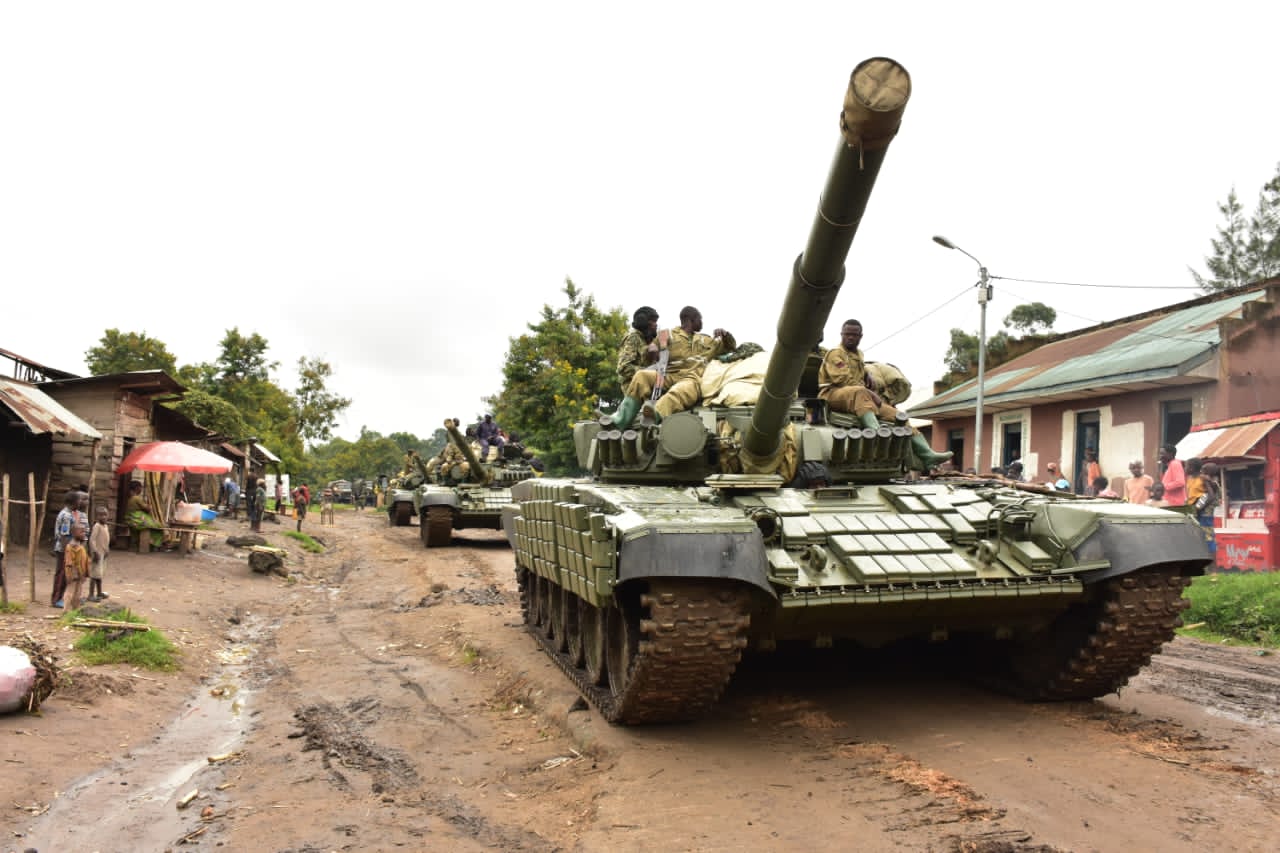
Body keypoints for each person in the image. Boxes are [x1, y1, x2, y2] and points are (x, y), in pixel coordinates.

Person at [817, 319, 952, 470]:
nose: (850, 337)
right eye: (847, 334)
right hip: (832, 394)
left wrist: (867, 373)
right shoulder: (836, 353)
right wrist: (870, 393)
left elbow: (857, 372)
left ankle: (927, 454)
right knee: (860, 392)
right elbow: (843, 380)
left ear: (860, 336)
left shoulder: (858, 354)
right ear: (841, 334)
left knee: (898, 415)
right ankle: (878, 435)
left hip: (858, 397)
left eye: (854, 335)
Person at [610, 306, 736, 428]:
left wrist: (725, 335)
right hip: (669, 374)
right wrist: (651, 349)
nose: (701, 322)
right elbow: (649, 354)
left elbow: (730, 347)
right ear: (691, 319)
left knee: (679, 390)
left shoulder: (706, 339)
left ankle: (654, 414)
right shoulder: (667, 334)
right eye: (700, 319)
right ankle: (619, 421)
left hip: (692, 377)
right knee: (641, 376)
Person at [616, 305, 661, 392]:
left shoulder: (648, 340)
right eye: (653, 321)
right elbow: (623, 368)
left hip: (647, 386)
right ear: (644, 322)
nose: (656, 325)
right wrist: (650, 372)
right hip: (633, 389)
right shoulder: (634, 337)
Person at [50, 490, 80, 608]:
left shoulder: (68, 513)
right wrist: (68, 552)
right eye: (78, 500)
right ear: (73, 502)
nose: (79, 503)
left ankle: (59, 597)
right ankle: (56, 599)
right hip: (63, 549)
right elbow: (64, 536)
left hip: (64, 548)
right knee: (61, 575)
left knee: (63, 574)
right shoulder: (66, 515)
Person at [126, 481, 164, 552]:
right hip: (136, 520)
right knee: (159, 526)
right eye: (141, 487)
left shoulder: (131, 498)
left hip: (130, 519)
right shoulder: (136, 498)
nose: (141, 489)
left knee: (151, 525)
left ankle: (144, 544)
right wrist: (150, 506)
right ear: (137, 488)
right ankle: (154, 545)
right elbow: (147, 509)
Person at [63, 522, 91, 610]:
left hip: (80, 572)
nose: (84, 533)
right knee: (70, 592)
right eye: (81, 532)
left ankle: (75, 609)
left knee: (78, 592)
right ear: (74, 533)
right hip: (74, 573)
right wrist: (72, 574)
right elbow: (69, 562)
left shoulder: (80, 545)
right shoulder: (71, 547)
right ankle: (65, 610)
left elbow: (84, 559)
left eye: (84, 531)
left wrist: (84, 573)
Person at [88, 506, 111, 602]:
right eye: (101, 515)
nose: (103, 517)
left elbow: (106, 540)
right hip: (97, 554)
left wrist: (107, 550)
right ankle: (90, 594)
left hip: (103, 554)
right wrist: (94, 551)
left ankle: (99, 593)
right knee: (94, 575)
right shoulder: (97, 526)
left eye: (105, 515)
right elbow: (92, 540)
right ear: (97, 517)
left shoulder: (105, 526)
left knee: (99, 574)